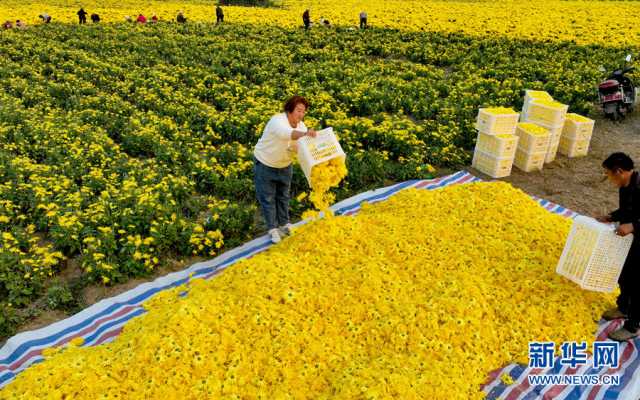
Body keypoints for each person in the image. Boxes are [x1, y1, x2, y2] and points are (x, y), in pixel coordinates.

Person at [253, 96, 317, 243]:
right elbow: (287, 134)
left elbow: (302, 148)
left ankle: (284, 224)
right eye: (298, 111)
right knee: (268, 198)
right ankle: (272, 228)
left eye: (304, 111)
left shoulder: (301, 126)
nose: (301, 115)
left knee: (283, 196)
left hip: (284, 165)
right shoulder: (277, 121)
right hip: (265, 163)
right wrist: (305, 134)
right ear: (289, 110)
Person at [597, 152, 640, 341]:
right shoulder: (625, 185)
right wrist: (612, 216)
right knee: (624, 274)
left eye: (608, 174)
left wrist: (633, 225)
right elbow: (627, 210)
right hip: (632, 239)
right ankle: (623, 307)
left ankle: (632, 326)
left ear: (619, 171)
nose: (608, 178)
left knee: (638, 283)